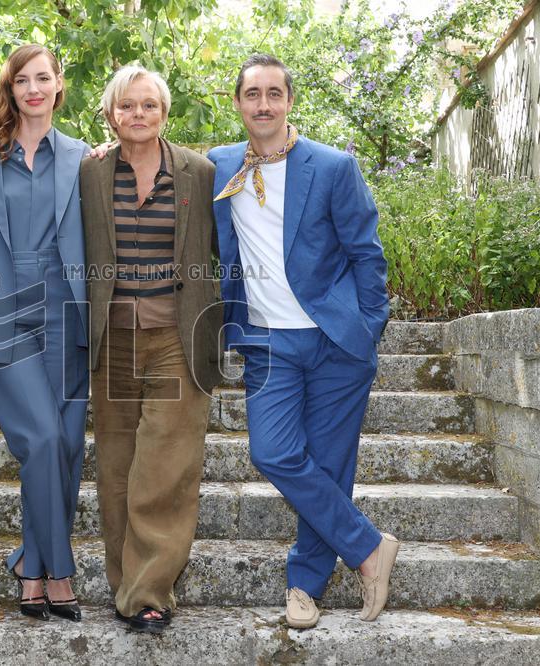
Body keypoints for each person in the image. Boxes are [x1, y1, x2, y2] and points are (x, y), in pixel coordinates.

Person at [207, 54, 399, 630]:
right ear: (238, 103)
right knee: (273, 452)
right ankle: (367, 547)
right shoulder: (218, 166)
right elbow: (149, 158)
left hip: (336, 340)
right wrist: (97, 154)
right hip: (266, 341)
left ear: (290, 101)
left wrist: (368, 329)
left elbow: (368, 254)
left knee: (331, 465)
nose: (263, 104)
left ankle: (304, 587)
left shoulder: (333, 166)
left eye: (274, 93)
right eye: (252, 94)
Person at [80, 66, 222, 634]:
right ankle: (126, 583)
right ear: (111, 113)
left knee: (166, 465)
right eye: (127, 106)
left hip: (175, 338)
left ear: (165, 111)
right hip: (110, 339)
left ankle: (149, 594)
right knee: (116, 468)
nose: (138, 115)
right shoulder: (88, 172)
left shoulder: (201, 172)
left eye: (149, 105)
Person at [0, 44, 89, 622]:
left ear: (59, 85)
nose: (33, 89)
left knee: (66, 446)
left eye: (43, 78)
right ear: (9, 91)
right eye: (21, 81)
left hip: (70, 313)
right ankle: (59, 572)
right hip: (3, 312)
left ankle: (30, 565)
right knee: (41, 441)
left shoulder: (86, 159)